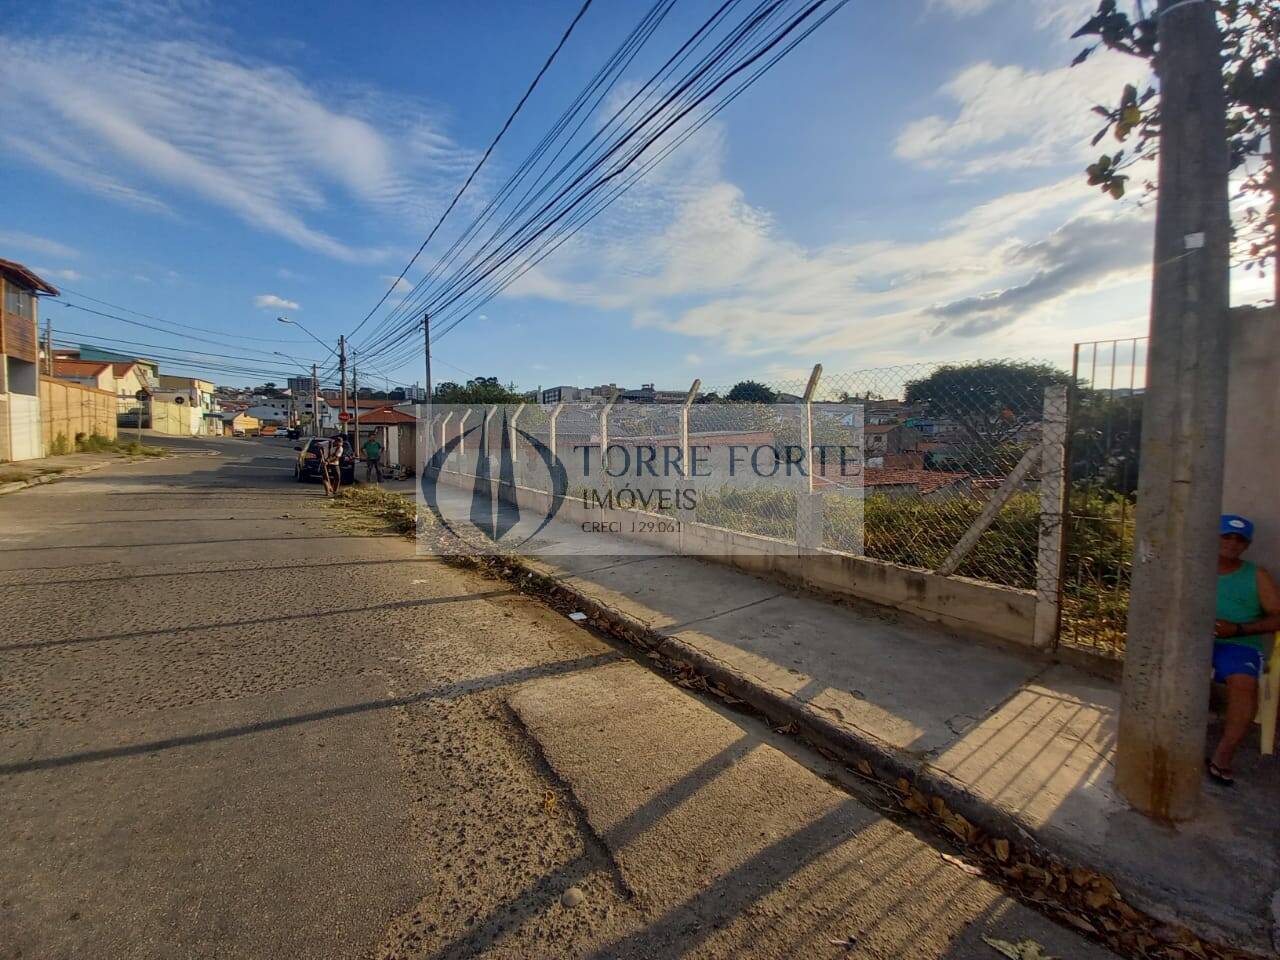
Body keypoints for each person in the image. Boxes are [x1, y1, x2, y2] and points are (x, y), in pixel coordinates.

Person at [1208, 514, 1280, 785]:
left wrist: (1236, 629)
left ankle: (1222, 756)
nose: (1232, 543)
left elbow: (1277, 617)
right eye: (1226, 536)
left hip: (1239, 643)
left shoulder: (1256, 575)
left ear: (1246, 546)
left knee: (1244, 683)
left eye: (1240, 539)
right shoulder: (1194, 568)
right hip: (1195, 641)